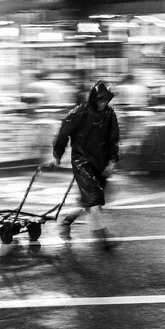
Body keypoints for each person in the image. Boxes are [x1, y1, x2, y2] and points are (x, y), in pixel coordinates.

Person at [51, 80, 120, 249]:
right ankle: (103, 237)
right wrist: (58, 154)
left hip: (101, 163)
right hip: (82, 162)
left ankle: (66, 223)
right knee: (93, 200)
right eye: (101, 100)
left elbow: (113, 139)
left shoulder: (110, 114)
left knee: (88, 202)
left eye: (106, 100)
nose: (104, 103)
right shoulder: (80, 113)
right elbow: (63, 132)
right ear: (93, 99)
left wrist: (112, 161)